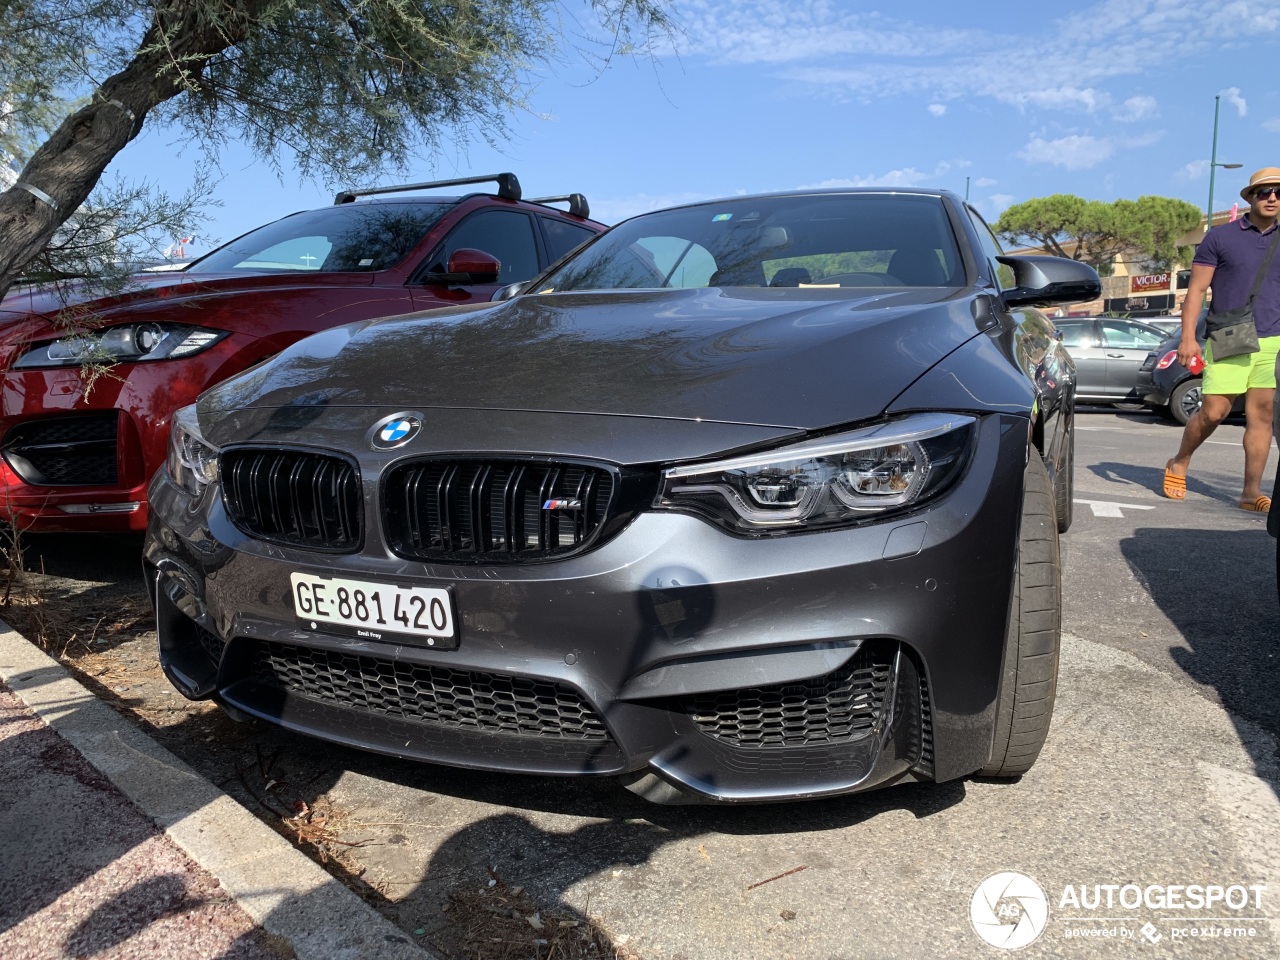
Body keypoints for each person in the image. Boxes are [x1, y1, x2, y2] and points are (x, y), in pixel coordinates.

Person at [1162, 167, 1280, 509]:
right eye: (1264, 192)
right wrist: (1188, 338)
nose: (1272, 197)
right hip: (1229, 335)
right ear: (1250, 198)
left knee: (1262, 417)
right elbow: (1196, 290)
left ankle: (1250, 492)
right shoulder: (1221, 237)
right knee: (1214, 412)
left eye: (1278, 192)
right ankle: (1180, 460)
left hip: (1273, 341)